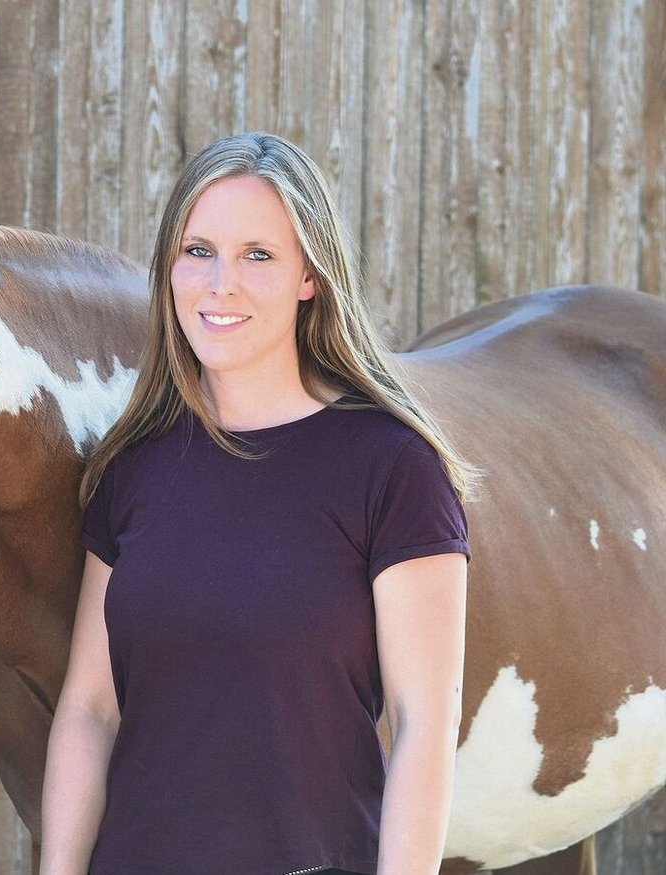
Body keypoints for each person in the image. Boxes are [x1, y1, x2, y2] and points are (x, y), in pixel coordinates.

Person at [40, 133, 475, 875]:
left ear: (311, 275)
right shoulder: (133, 467)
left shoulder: (395, 468)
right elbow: (90, 707)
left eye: (258, 256)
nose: (220, 284)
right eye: (198, 250)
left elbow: (422, 724)